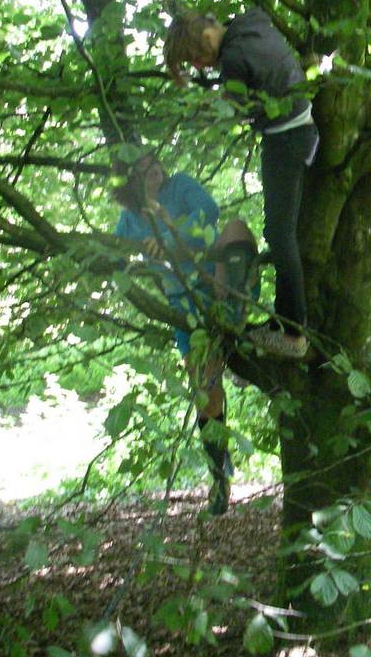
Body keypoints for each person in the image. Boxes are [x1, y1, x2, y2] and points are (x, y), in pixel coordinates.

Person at [164, 9, 317, 360]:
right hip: (298, 130)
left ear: (207, 38)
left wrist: (208, 104)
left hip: (287, 139)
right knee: (284, 232)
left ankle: (293, 332)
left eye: (197, 57)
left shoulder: (233, 59)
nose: (201, 66)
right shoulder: (251, 22)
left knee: (280, 235)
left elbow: (233, 108)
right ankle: (283, 325)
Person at [113, 153, 258, 516]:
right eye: (143, 169)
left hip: (219, 285)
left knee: (238, 228)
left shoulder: (181, 186)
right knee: (206, 395)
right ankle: (219, 477)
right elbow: (117, 253)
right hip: (185, 309)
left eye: (154, 163)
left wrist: (172, 238)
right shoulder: (129, 222)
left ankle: (237, 332)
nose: (154, 170)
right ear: (130, 180)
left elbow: (209, 212)